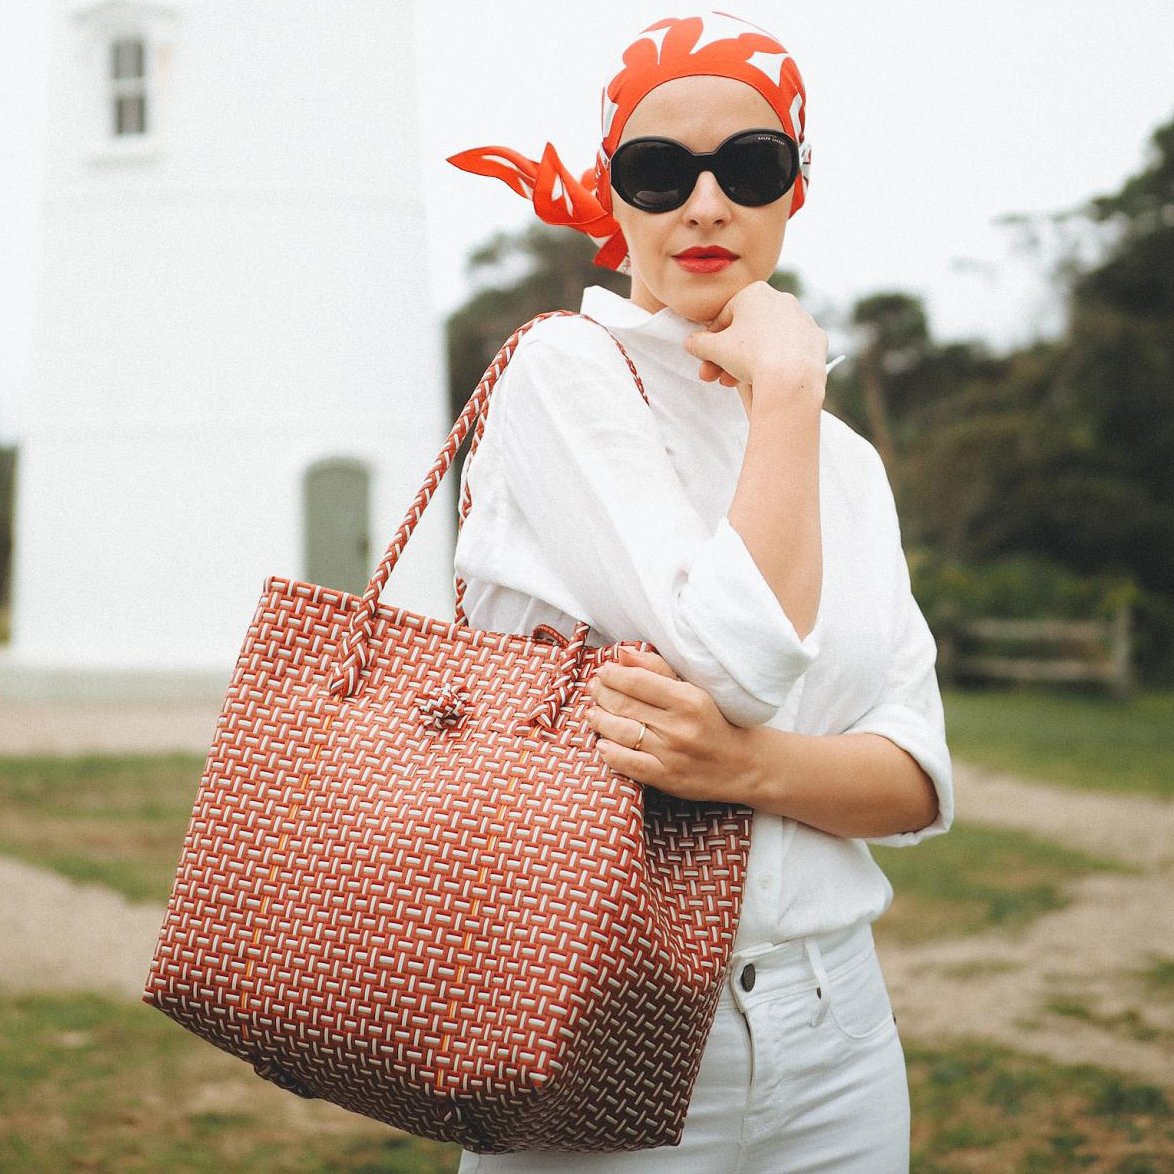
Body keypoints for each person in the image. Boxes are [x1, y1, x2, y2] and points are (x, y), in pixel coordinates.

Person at [448, 11, 953, 1172]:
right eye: (659, 170)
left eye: (752, 165)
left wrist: (739, 767)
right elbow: (737, 660)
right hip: (592, 1007)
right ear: (611, 193)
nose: (707, 204)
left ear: (795, 187)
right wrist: (787, 386)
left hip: (838, 1033)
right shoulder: (560, 373)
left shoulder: (846, 464)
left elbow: (915, 779)